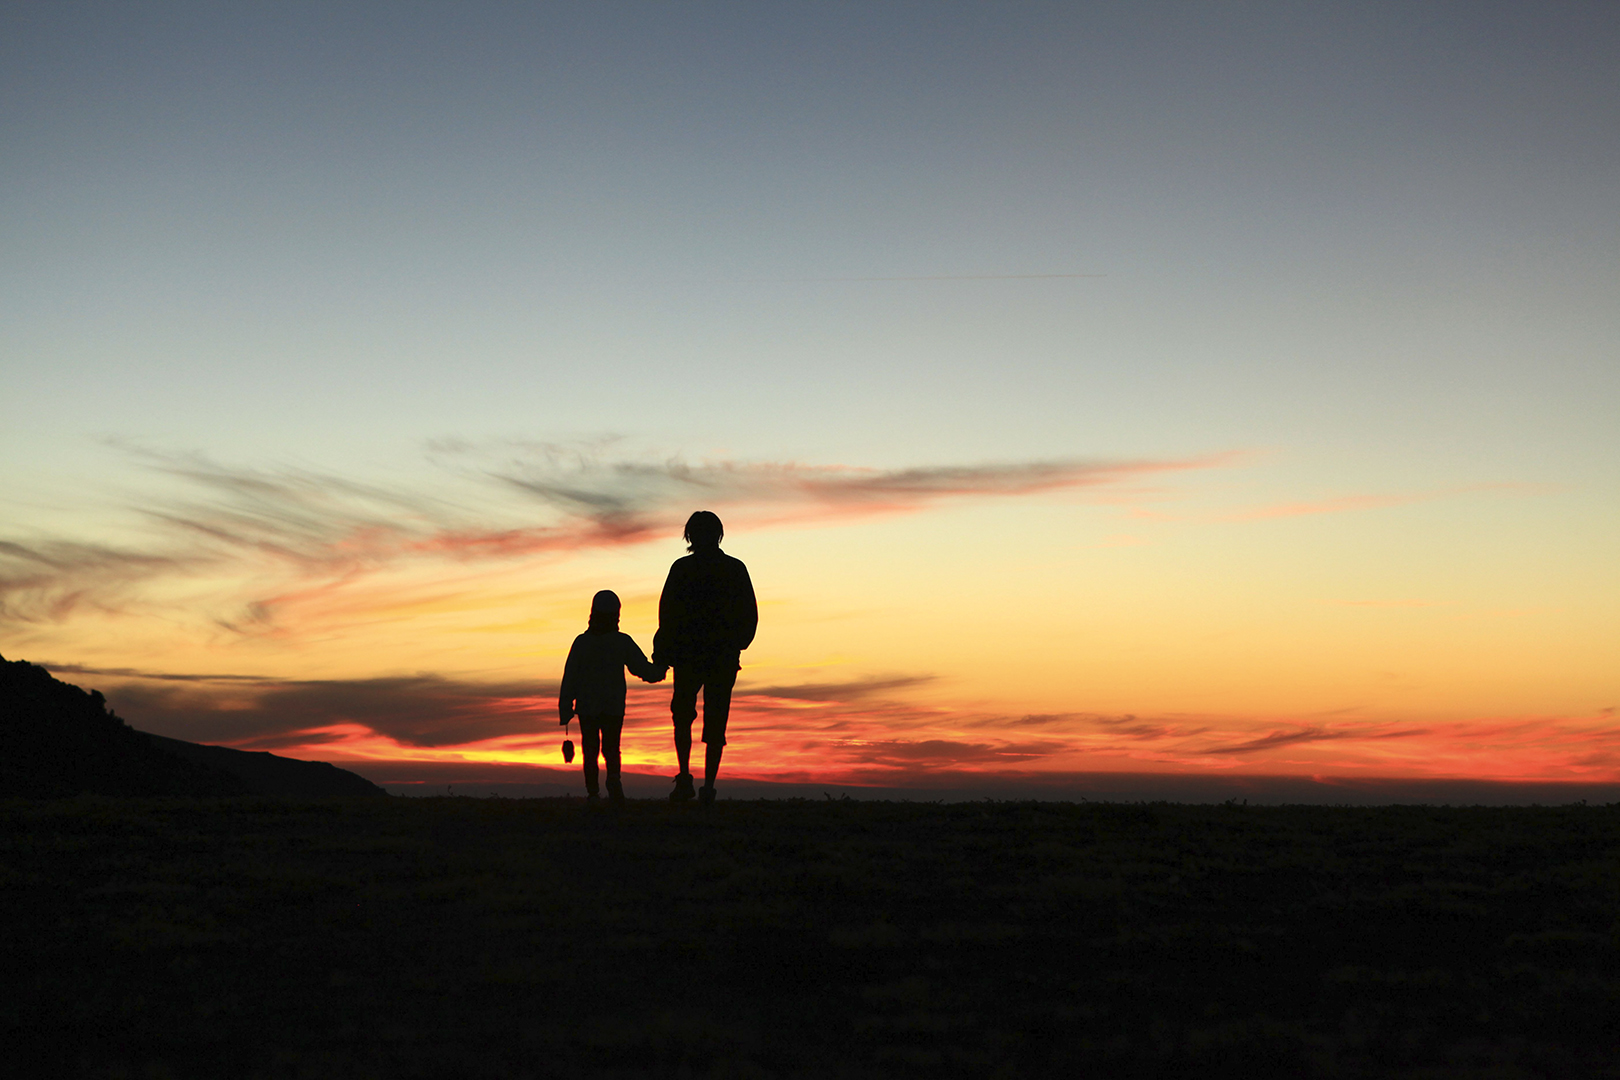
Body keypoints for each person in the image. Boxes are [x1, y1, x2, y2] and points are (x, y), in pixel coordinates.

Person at [652, 511, 757, 806]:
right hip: (710, 657)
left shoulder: (689, 569)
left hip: (702, 656)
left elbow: (667, 613)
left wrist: (664, 651)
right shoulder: (729, 568)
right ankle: (699, 783)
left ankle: (695, 781)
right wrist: (737, 643)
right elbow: (667, 613)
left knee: (693, 718)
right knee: (705, 719)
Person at [557, 590, 665, 803]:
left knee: (591, 749)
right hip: (613, 705)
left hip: (588, 706)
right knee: (611, 748)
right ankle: (613, 786)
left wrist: (565, 707)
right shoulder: (621, 642)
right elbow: (642, 668)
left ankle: (594, 792)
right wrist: (661, 668)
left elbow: (570, 677)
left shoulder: (582, 643)